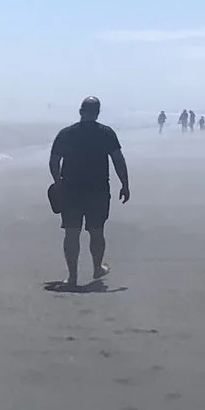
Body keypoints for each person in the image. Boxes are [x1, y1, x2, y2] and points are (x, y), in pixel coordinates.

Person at [49, 96, 129, 288]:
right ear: (98, 112)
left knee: (71, 232)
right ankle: (97, 268)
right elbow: (118, 159)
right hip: (98, 190)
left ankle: (72, 276)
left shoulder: (66, 133)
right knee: (96, 231)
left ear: (80, 111)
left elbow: (54, 161)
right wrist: (125, 184)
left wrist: (57, 182)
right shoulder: (106, 133)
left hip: (71, 189)